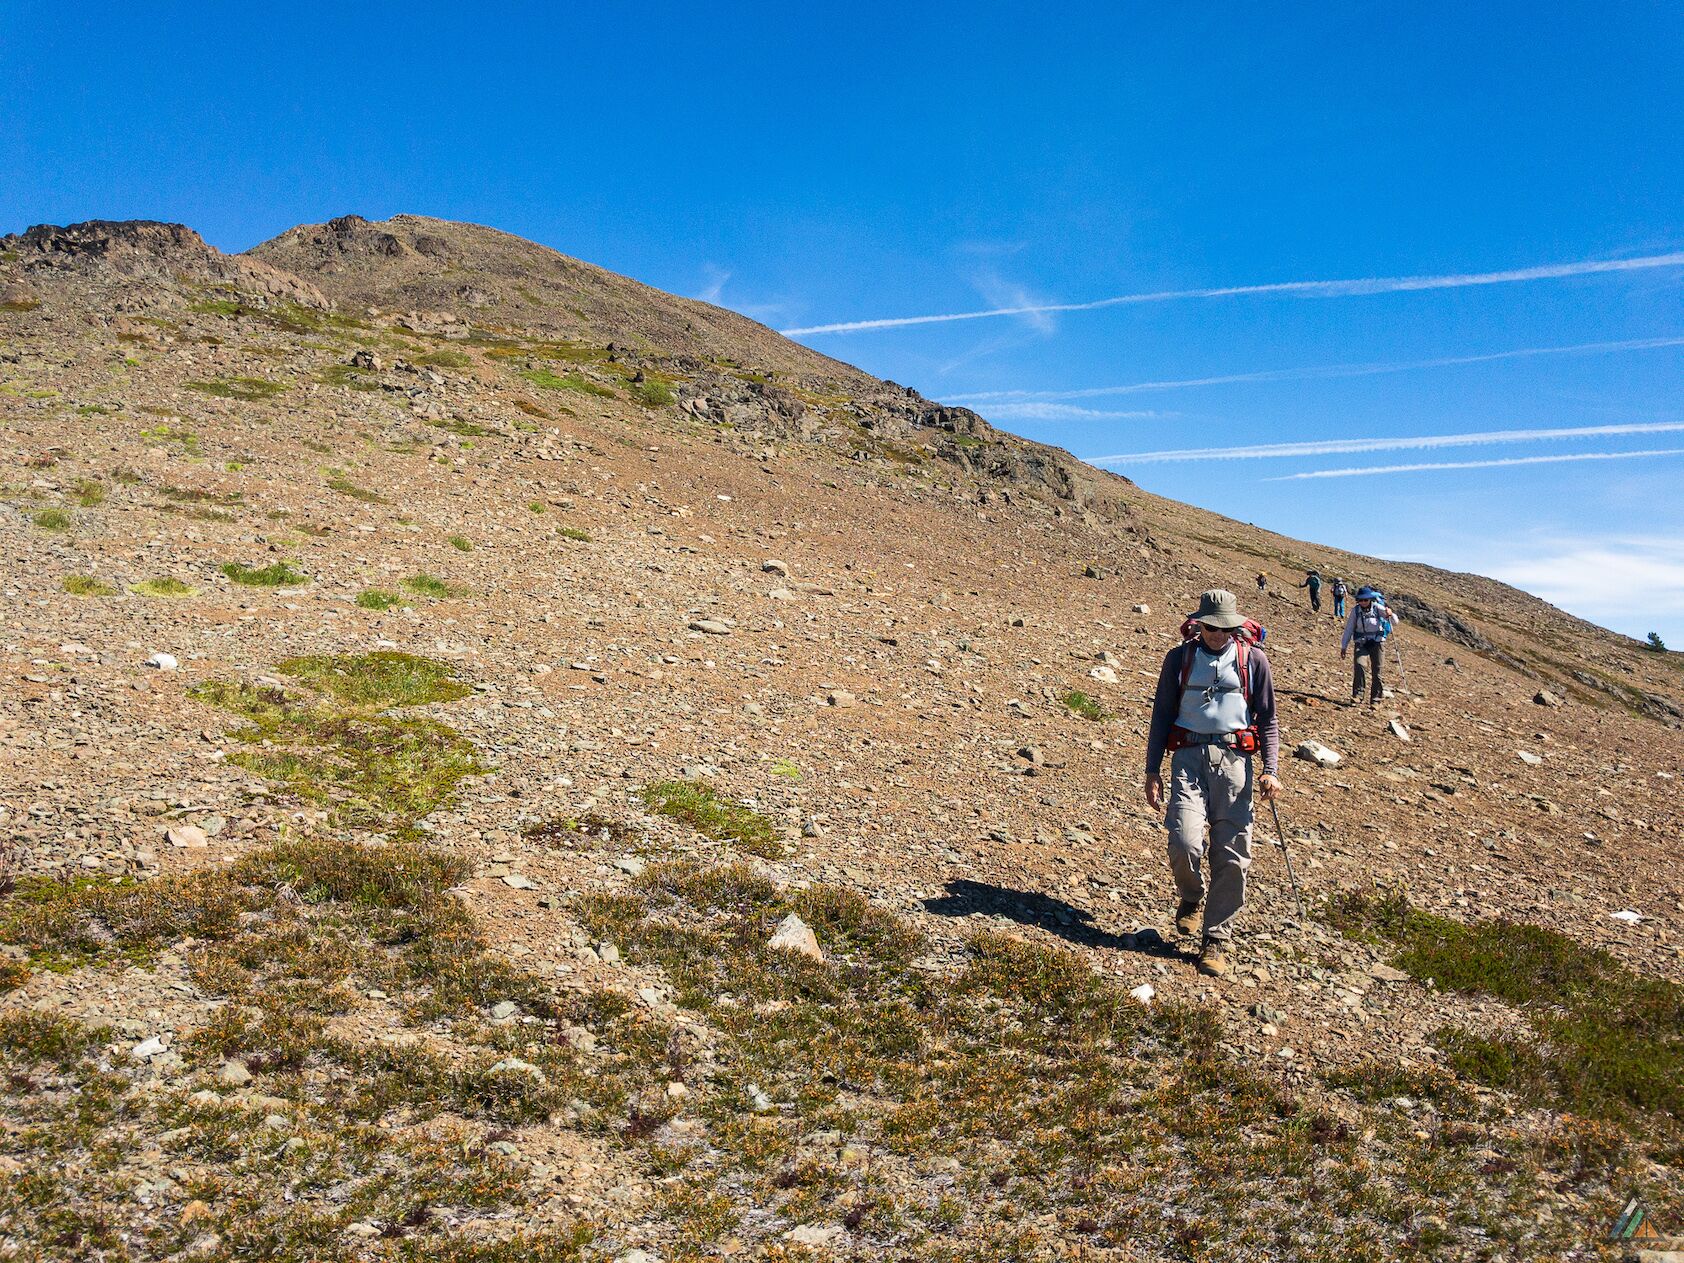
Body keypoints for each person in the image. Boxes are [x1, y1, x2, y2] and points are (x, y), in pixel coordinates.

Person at [1144, 589, 1281, 978]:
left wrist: (1271, 768)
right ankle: (1191, 896)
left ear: (1235, 626)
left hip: (1236, 763)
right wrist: (1152, 770)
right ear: (1199, 624)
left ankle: (1216, 939)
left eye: (1224, 628)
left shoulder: (1253, 660)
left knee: (1233, 854)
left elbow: (1267, 719)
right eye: (1210, 627)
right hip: (1187, 757)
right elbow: (1161, 716)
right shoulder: (1179, 658)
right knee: (1184, 840)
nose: (1217, 634)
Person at [1341, 586, 1394, 705]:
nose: (1363, 602)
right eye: (1361, 600)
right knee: (1359, 665)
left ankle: (1376, 699)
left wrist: (1390, 614)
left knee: (1377, 671)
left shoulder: (1378, 608)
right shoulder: (1355, 611)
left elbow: (1395, 621)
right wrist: (1344, 646)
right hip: (1361, 642)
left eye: (1366, 600)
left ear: (1370, 599)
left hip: (1377, 642)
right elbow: (1349, 629)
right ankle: (1358, 695)